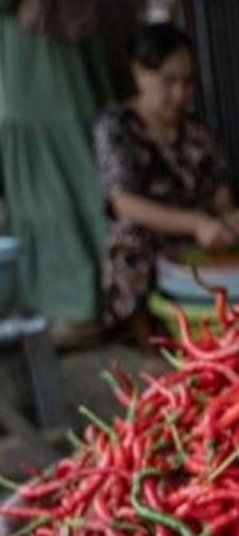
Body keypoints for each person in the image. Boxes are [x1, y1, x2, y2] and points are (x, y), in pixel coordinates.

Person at [94, 21, 239, 334]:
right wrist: (195, 223)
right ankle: (146, 335)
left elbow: (220, 193)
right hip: (153, 239)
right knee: (128, 241)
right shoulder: (116, 126)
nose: (180, 94)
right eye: (169, 81)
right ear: (139, 73)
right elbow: (122, 203)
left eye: (188, 83)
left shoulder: (196, 132)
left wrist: (230, 220)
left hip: (200, 240)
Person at [0, 0, 113, 338]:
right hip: (35, 66)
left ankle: (82, 306)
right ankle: (81, 304)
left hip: (42, 69)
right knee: (60, 192)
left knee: (63, 191)